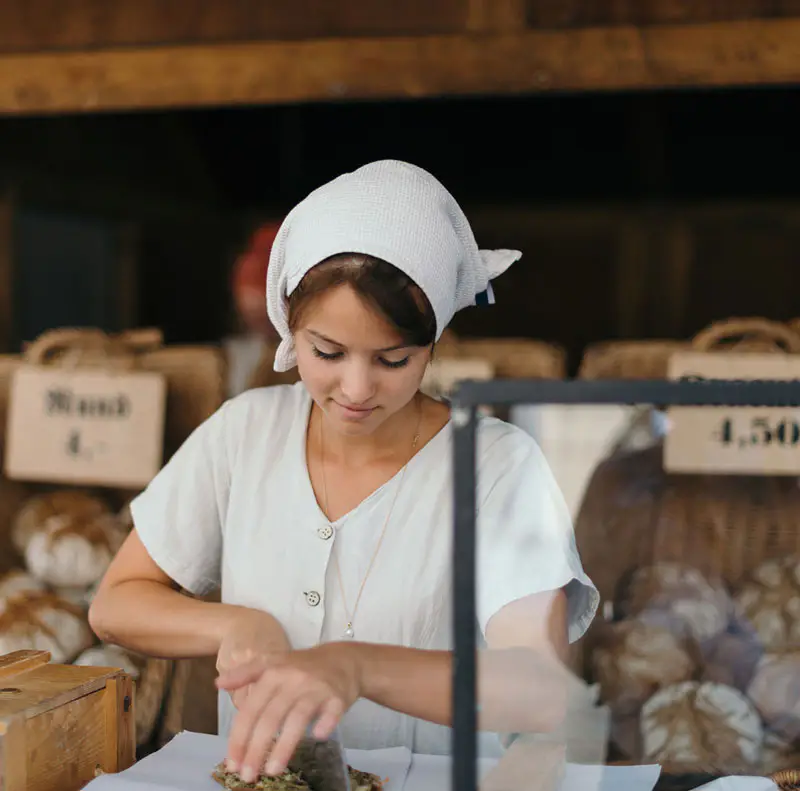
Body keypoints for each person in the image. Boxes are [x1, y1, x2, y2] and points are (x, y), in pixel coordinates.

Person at [89, 160, 599, 784]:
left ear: (433, 342)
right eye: (326, 353)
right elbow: (116, 603)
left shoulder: (495, 466)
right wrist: (235, 622)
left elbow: (539, 688)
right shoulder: (244, 433)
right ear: (288, 330)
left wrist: (356, 667)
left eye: (393, 359)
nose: (355, 389)